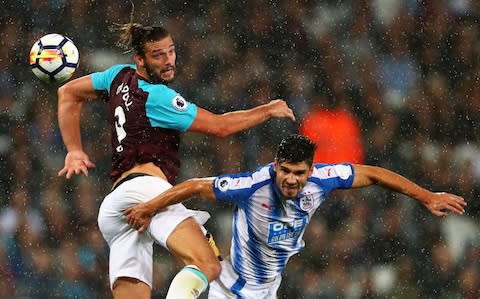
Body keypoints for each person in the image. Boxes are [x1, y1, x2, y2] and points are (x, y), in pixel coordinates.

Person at [56, 10, 295, 299]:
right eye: (158, 55)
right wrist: (266, 110)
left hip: (116, 206)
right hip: (146, 193)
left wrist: (74, 150)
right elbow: (220, 126)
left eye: (171, 52)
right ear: (140, 60)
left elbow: (68, 92)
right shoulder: (159, 97)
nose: (168, 60)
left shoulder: (116, 76)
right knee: (207, 263)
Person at [123, 134, 467, 298]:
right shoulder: (252, 186)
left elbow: (373, 174)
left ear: (310, 170)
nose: (291, 179)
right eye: (284, 170)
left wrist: (426, 196)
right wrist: (150, 207)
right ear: (275, 166)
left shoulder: (323, 180)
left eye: (299, 173)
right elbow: (197, 186)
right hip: (230, 290)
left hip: (268, 291)